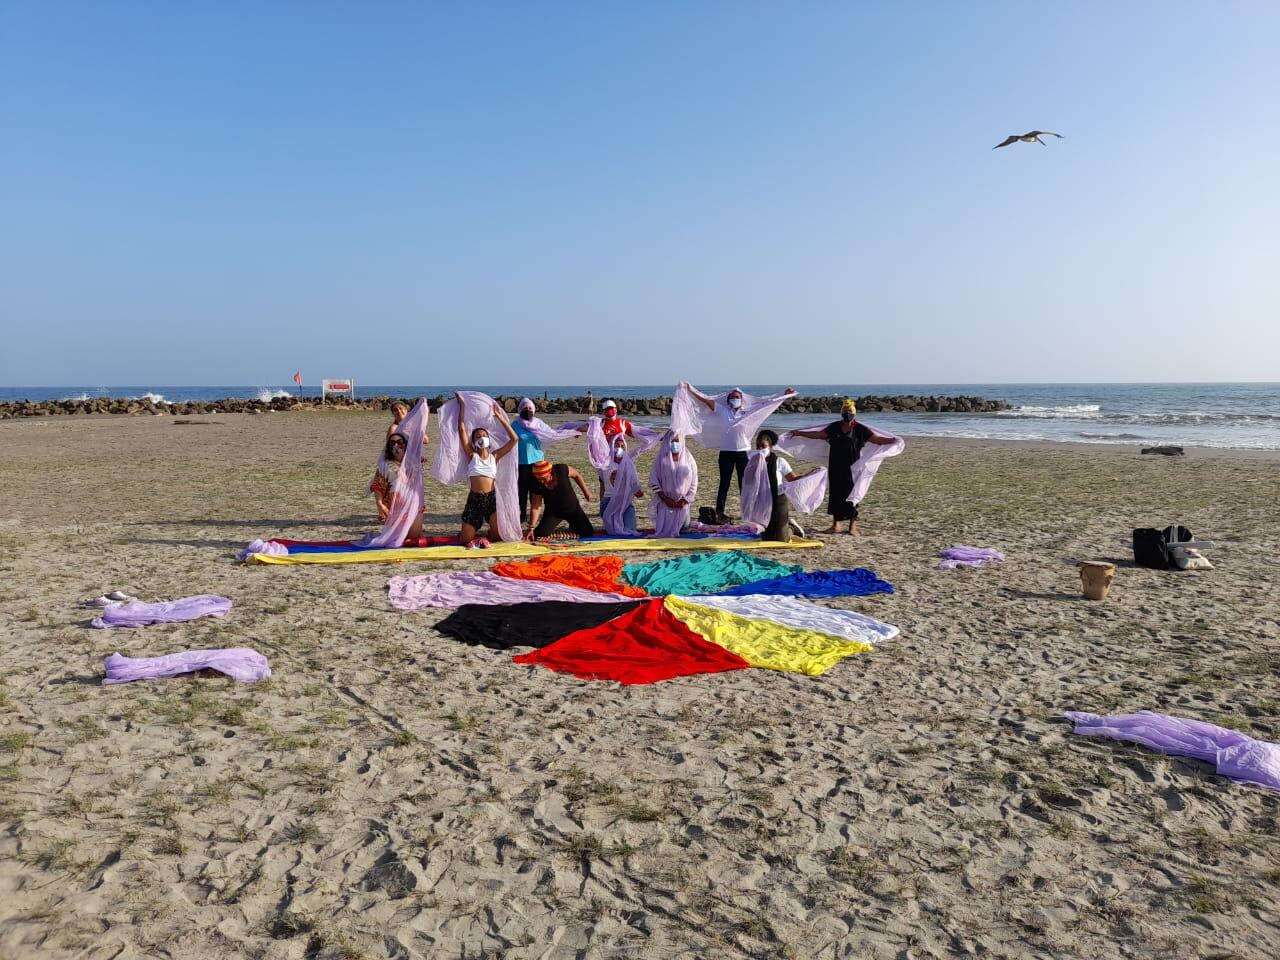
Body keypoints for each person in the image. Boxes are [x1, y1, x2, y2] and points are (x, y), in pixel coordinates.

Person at [680, 384, 796, 521]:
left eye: (737, 397)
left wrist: (784, 393)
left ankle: (748, 510)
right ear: (728, 399)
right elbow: (705, 399)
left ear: (742, 399)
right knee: (724, 483)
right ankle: (720, 511)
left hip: (743, 453)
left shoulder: (747, 411)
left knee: (745, 484)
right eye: (733, 397)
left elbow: (767, 403)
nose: (735, 399)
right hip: (726, 453)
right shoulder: (722, 410)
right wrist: (690, 389)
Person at [789, 399, 895, 535]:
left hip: (854, 467)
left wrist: (892, 441)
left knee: (853, 494)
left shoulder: (860, 429)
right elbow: (819, 435)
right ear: (841, 413)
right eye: (845, 411)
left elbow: (876, 439)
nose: (847, 414)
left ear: (854, 413)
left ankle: (853, 526)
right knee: (836, 494)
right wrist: (800, 433)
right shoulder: (834, 427)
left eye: (850, 411)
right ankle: (836, 525)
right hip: (836, 466)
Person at [456, 395, 519, 546]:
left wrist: (500, 417)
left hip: (491, 499)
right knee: (465, 540)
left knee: (499, 537)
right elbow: (461, 429)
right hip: (474, 500)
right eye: (478, 436)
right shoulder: (471, 455)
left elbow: (514, 440)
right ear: (474, 441)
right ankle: (473, 533)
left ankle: (488, 532)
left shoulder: (494, 456)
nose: (481, 437)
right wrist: (462, 405)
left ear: (489, 439)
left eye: (484, 435)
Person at [368, 431, 425, 539]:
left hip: (414, 504)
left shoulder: (416, 462)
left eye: (399, 442)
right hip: (396, 506)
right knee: (398, 539)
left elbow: (422, 438)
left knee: (414, 537)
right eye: (392, 443)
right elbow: (377, 485)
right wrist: (380, 503)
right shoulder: (385, 465)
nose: (396, 445)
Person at [525, 460, 595, 540]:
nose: (542, 481)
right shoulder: (536, 483)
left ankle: (573, 526)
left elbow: (576, 475)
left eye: (544, 478)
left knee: (587, 532)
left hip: (572, 509)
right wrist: (531, 527)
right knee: (541, 534)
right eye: (539, 479)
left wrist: (586, 492)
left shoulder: (560, 470)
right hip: (553, 513)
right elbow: (536, 506)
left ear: (550, 473)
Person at [649, 430, 697, 538]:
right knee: (663, 531)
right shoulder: (661, 460)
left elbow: (694, 483)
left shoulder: (689, 460)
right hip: (665, 502)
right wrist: (665, 499)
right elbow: (653, 481)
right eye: (672, 441)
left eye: (677, 441)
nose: (674, 444)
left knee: (684, 531)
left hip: (682, 504)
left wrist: (685, 500)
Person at [600, 433, 644, 535]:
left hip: (626, 503)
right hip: (609, 502)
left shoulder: (629, 464)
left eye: (622, 446)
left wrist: (638, 492)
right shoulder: (605, 463)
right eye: (617, 445)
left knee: (630, 530)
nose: (619, 449)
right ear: (611, 447)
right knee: (614, 531)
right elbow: (604, 484)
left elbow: (636, 490)